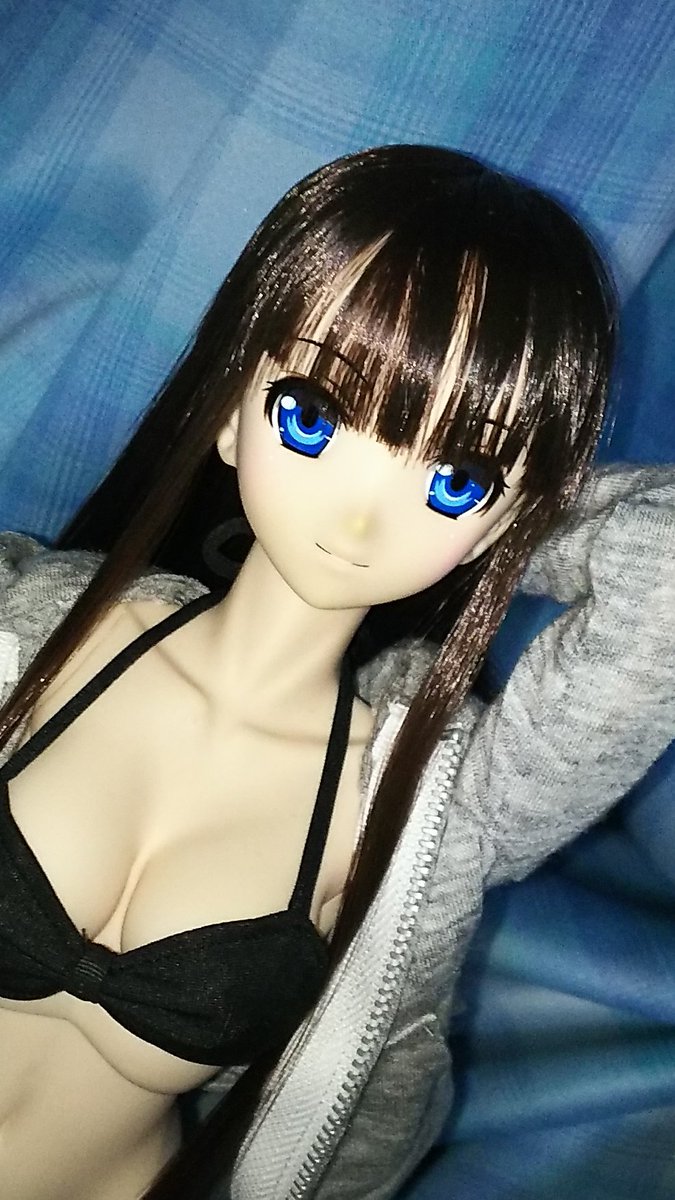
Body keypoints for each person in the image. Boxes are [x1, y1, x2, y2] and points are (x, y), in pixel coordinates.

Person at [0, 144, 672, 1200]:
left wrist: (511, 519)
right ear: (232, 406)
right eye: (314, 417)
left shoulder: (412, 813)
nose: (360, 518)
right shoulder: (34, 629)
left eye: (454, 477)